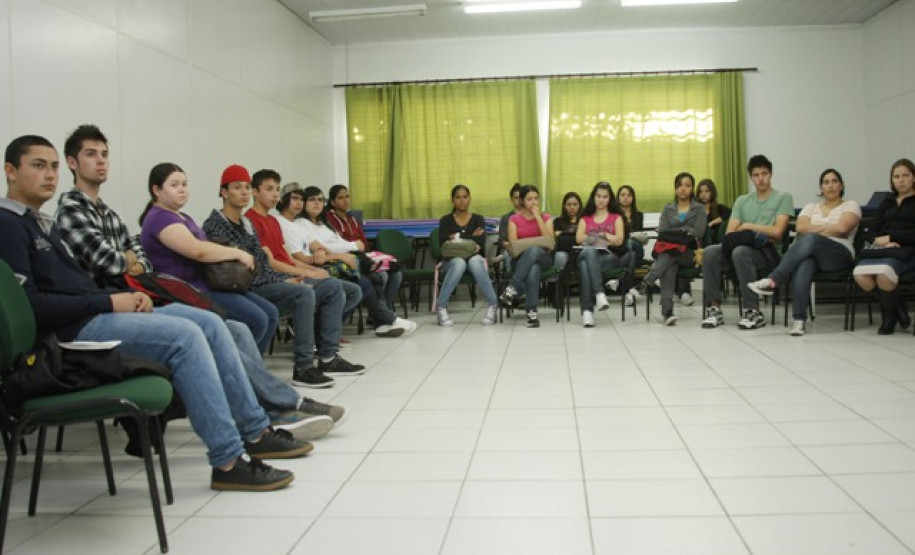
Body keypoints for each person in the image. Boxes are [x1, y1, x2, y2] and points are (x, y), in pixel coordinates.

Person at [1, 135, 309, 491]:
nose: (49, 174)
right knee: (186, 336)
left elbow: (127, 261)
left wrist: (122, 291)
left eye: (52, 166)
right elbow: (33, 306)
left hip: (98, 310)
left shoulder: (40, 221)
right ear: (10, 171)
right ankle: (228, 460)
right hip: (69, 336)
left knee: (210, 322)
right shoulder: (10, 226)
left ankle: (254, 432)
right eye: (38, 166)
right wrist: (110, 299)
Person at [55, 125, 341, 439]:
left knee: (241, 328)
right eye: (91, 154)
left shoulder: (109, 213)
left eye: (105, 154)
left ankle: (266, 406)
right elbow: (111, 260)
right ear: (72, 162)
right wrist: (128, 259)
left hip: (154, 295)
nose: (101, 161)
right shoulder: (78, 210)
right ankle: (270, 409)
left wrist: (129, 258)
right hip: (134, 301)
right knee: (222, 325)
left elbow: (140, 257)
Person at [202, 165, 354, 394]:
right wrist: (285, 278)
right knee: (303, 294)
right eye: (237, 188)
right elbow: (238, 269)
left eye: (246, 187)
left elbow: (261, 261)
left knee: (332, 286)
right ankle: (303, 366)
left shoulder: (247, 224)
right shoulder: (215, 224)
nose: (243, 192)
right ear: (223, 192)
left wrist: (286, 277)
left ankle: (328, 356)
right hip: (244, 287)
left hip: (266, 280)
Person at [138, 163, 279, 355]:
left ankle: (250, 369)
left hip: (208, 283)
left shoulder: (183, 217)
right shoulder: (160, 217)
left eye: (184, 184)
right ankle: (239, 371)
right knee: (257, 319)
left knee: (270, 313)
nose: (182, 189)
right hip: (185, 290)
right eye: (174, 185)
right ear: (156, 190)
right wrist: (238, 253)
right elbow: (197, 251)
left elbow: (206, 247)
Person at [244, 170, 367, 378]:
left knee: (339, 286)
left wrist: (312, 270)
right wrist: (302, 272)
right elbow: (270, 262)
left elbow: (287, 256)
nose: (274, 194)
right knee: (314, 291)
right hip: (269, 280)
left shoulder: (273, 221)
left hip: (287, 273)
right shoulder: (251, 220)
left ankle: (328, 356)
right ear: (255, 192)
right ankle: (305, 364)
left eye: (276, 189)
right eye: (269, 189)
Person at [279, 183, 416, 337]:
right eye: (311, 199)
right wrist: (347, 250)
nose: (316, 203)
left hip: (335, 262)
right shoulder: (300, 223)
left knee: (381, 276)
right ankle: (384, 320)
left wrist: (344, 250)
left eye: (319, 199)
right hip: (325, 266)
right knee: (365, 282)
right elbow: (311, 254)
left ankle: (379, 321)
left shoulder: (324, 224)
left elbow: (324, 248)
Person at [748, 168, 861, 336]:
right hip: (813, 254)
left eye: (834, 181)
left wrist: (814, 231)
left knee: (809, 240)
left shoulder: (851, 205)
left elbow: (843, 228)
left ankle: (774, 279)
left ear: (841, 185)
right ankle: (799, 320)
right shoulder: (811, 207)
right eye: (826, 182)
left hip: (839, 254)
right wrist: (829, 228)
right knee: (806, 262)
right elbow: (800, 228)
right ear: (821, 187)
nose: (830, 186)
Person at [701, 155, 794, 330]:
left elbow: (777, 232)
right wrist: (754, 232)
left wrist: (749, 226)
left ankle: (753, 311)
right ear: (751, 177)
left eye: (764, 174)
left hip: (769, 252)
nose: (761, 179)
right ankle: (714, 308)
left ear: (771, 174)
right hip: (741, 248)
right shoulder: (742, 201)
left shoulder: (783, 197)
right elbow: (730, 233)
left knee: (740, 252)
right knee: (710, 252)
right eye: (756, 175)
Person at [629, 172, 706, 326]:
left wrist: (676, 233)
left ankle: (647, 282)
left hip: (690, 254)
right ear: (675, 188)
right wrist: (683, 232)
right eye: (680, 185)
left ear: (692, 188)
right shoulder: (668, 208)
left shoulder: (698, 208)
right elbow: (663, 232)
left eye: (688, 185)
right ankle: (667, 312)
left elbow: (698, 232)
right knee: (670, 262)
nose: (683, 189)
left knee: (669, 255)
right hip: (673, 253)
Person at [851, 158, 915, 335]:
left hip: (908, 249)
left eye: (905, 176)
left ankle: (889, 318)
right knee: (860, 274)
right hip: (883, 248)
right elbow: (872, 228)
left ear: (914, 178)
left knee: (883, 275)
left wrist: (893, 237)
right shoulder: (888, 200)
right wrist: (879, 239)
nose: (900, 180)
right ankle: (899, 308)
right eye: (896, 176)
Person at [325, 183, 403, 309]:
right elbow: (340, 243)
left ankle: (383, 309)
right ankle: (379, 312)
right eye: (341, 198)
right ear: (332, 202)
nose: (346, 201)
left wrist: (362, 248)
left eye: (347, 196)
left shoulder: (353, 219)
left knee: (396, 273)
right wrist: (355, 245)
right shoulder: (330, 219)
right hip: (348, 259)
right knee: (382, 275)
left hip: (362, 255)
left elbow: (364, 242)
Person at [435, 184, 499, 326]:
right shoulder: (445, 220)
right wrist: (470, 237)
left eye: (465, 197)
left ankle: (493, 305)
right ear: (452, 200)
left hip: (474, 257)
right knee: (459, 263)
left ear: (469, 199)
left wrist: (456, 237)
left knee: (475, 262)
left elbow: (480, 242)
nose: (462, 200)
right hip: (451, 259)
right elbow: (443, 243)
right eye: (458, 197)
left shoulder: (478, 219)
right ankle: (441, 307)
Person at [499, 184, 553, 328]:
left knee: (534, 251)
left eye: (536, 198)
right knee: (533, 268)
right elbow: (514, 246)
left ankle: (512, 288)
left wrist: (537, 216)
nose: (534, 202)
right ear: (522, 201)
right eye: (529, 199)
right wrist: (533, 245)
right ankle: (532, 313)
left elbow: (549, 241)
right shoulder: (514, 219)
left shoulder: (546, 217)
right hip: (520, 260)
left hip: (545, 258)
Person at [576, 181, 628, 328]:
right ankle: (599, 294)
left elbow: (619, 240)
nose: (601, 200)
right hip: (585, 254)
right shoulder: (585, 218)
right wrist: (606, 238)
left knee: (586, 268)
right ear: (593, 197)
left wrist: (600, 234)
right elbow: (579, 239)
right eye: (598, 196)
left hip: (608, 257)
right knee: (589, 253)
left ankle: (587, 312)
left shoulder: (616, 217)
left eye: (605, 197)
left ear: (609, 199)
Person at [616, 184, 646, 305]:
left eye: (629, 195)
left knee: (631, 245)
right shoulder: (614, 216)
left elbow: (639, 237)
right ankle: (628, 293)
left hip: (637, 249)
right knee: (631, 254)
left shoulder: (638, 215)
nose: (626, 197)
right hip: (622, 252)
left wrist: (626, 237)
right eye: (622, 195)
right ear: (617, 198)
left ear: (633, 198)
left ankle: (617, 280)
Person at [552, 191, 582, 272]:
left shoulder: (584, 221)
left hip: (579, 251)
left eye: (575, 204)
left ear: (580, 205)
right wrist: (574, 237)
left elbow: (581, 240)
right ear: (564, 206)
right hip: (563, 250)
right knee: (560, 256)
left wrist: (562, 233)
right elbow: (557, 241)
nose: (572, 207)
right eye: (569, 205)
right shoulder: (558, 221)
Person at [697, 178, 731, 245]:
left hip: (715, 242)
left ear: (712, 193)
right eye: (700, 192)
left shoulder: (719, 208)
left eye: (707, 191)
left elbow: (729, 213)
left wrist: (712, 223)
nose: (703, 194)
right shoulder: (695, 209)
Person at [497, 183, 523, 272]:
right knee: (509, 254)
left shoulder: (530, 217)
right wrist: (511, 245)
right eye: (516, 198)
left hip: (527, 248)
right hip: (510, 249)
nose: (519, 200)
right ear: (511, 199)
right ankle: (512, 283)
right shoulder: (506, 218)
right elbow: (501, 241)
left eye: (521, 197)